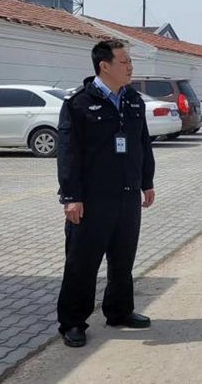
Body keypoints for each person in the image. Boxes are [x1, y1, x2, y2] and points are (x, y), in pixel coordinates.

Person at [56, 39, 156, 347]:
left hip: (127, 195)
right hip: (92, 200)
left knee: (123, 259)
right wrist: (71, 197)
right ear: (105, 66)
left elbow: (143, 143)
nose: (130, 67)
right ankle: (73, 322)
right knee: (82, 263)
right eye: (124, 62)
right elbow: (68, 153)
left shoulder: (133, 100)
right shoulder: (79, 103)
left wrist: (147, 181)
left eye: (130, 61)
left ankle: (119, 311)